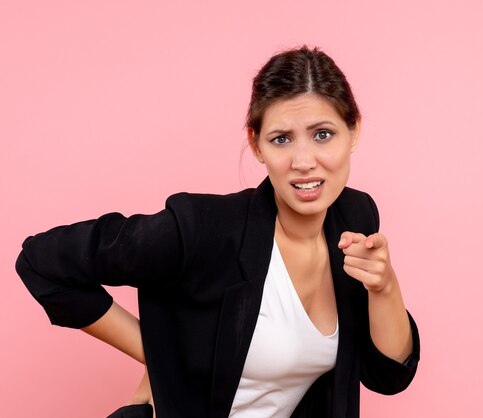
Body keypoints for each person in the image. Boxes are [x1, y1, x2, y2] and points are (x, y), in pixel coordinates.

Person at [16, 46, 420, 418]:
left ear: (355, 132)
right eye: (281, 139)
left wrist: (385, 287)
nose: (304, 161)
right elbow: (42, 262)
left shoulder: (354, 216)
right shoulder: (202, 229)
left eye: (322, 135)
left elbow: (388, 376)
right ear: (257, 146)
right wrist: (163, 362)